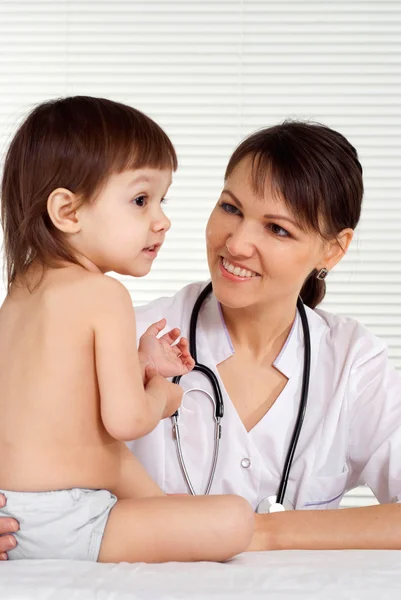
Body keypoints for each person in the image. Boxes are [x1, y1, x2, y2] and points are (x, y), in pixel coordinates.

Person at [2, 119, 401, 557]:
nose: (238, 243)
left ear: (333, 250)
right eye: (231, 208)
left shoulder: (352, 363)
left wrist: (265, 533)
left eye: (277, 229)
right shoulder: (130, 332)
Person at [0, 96, 254, 563]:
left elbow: (60, 401)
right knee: (235, 519)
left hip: (10, 514)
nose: (162, 220)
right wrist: (164, 396)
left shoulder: (20, 292)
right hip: (69, 521)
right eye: (141, 200)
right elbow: (125, 421)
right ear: (68, 212)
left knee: (122, 467)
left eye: (162, 199)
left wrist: (139, 361)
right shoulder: (104, 294)